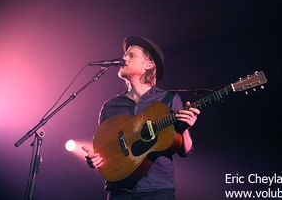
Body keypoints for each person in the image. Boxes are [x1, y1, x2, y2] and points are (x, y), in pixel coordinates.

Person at [82, 36, 200, 200]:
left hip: (157, 190)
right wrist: (94, 159)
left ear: (148, 65)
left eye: (131, 55)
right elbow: (103, 150)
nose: (124, 58)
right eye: (125, 55)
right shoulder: (110, 106)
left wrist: (185, 130)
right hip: (119, 192)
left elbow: (185, 151)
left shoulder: (168, 99)